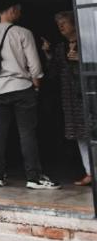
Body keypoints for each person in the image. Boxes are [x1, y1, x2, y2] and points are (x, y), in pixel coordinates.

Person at [0, 0, 59, 190]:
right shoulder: (23, 33)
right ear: (12, 10)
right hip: (22, 88)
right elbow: (35, 66)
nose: (20, 14)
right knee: (27, 133)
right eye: (19, 11)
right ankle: (33, 178)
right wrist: (37, 86)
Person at [42, 11, 92, 186]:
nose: (61, 26)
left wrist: (83, 59)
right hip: (71, 99)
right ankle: (90, 172)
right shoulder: (60, 47)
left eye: (64, 22)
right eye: (59, 24)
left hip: (89, 96)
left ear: (74, 23)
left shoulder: (89, 42)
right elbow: (53, 73)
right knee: (80, 136)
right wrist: (48, 54)